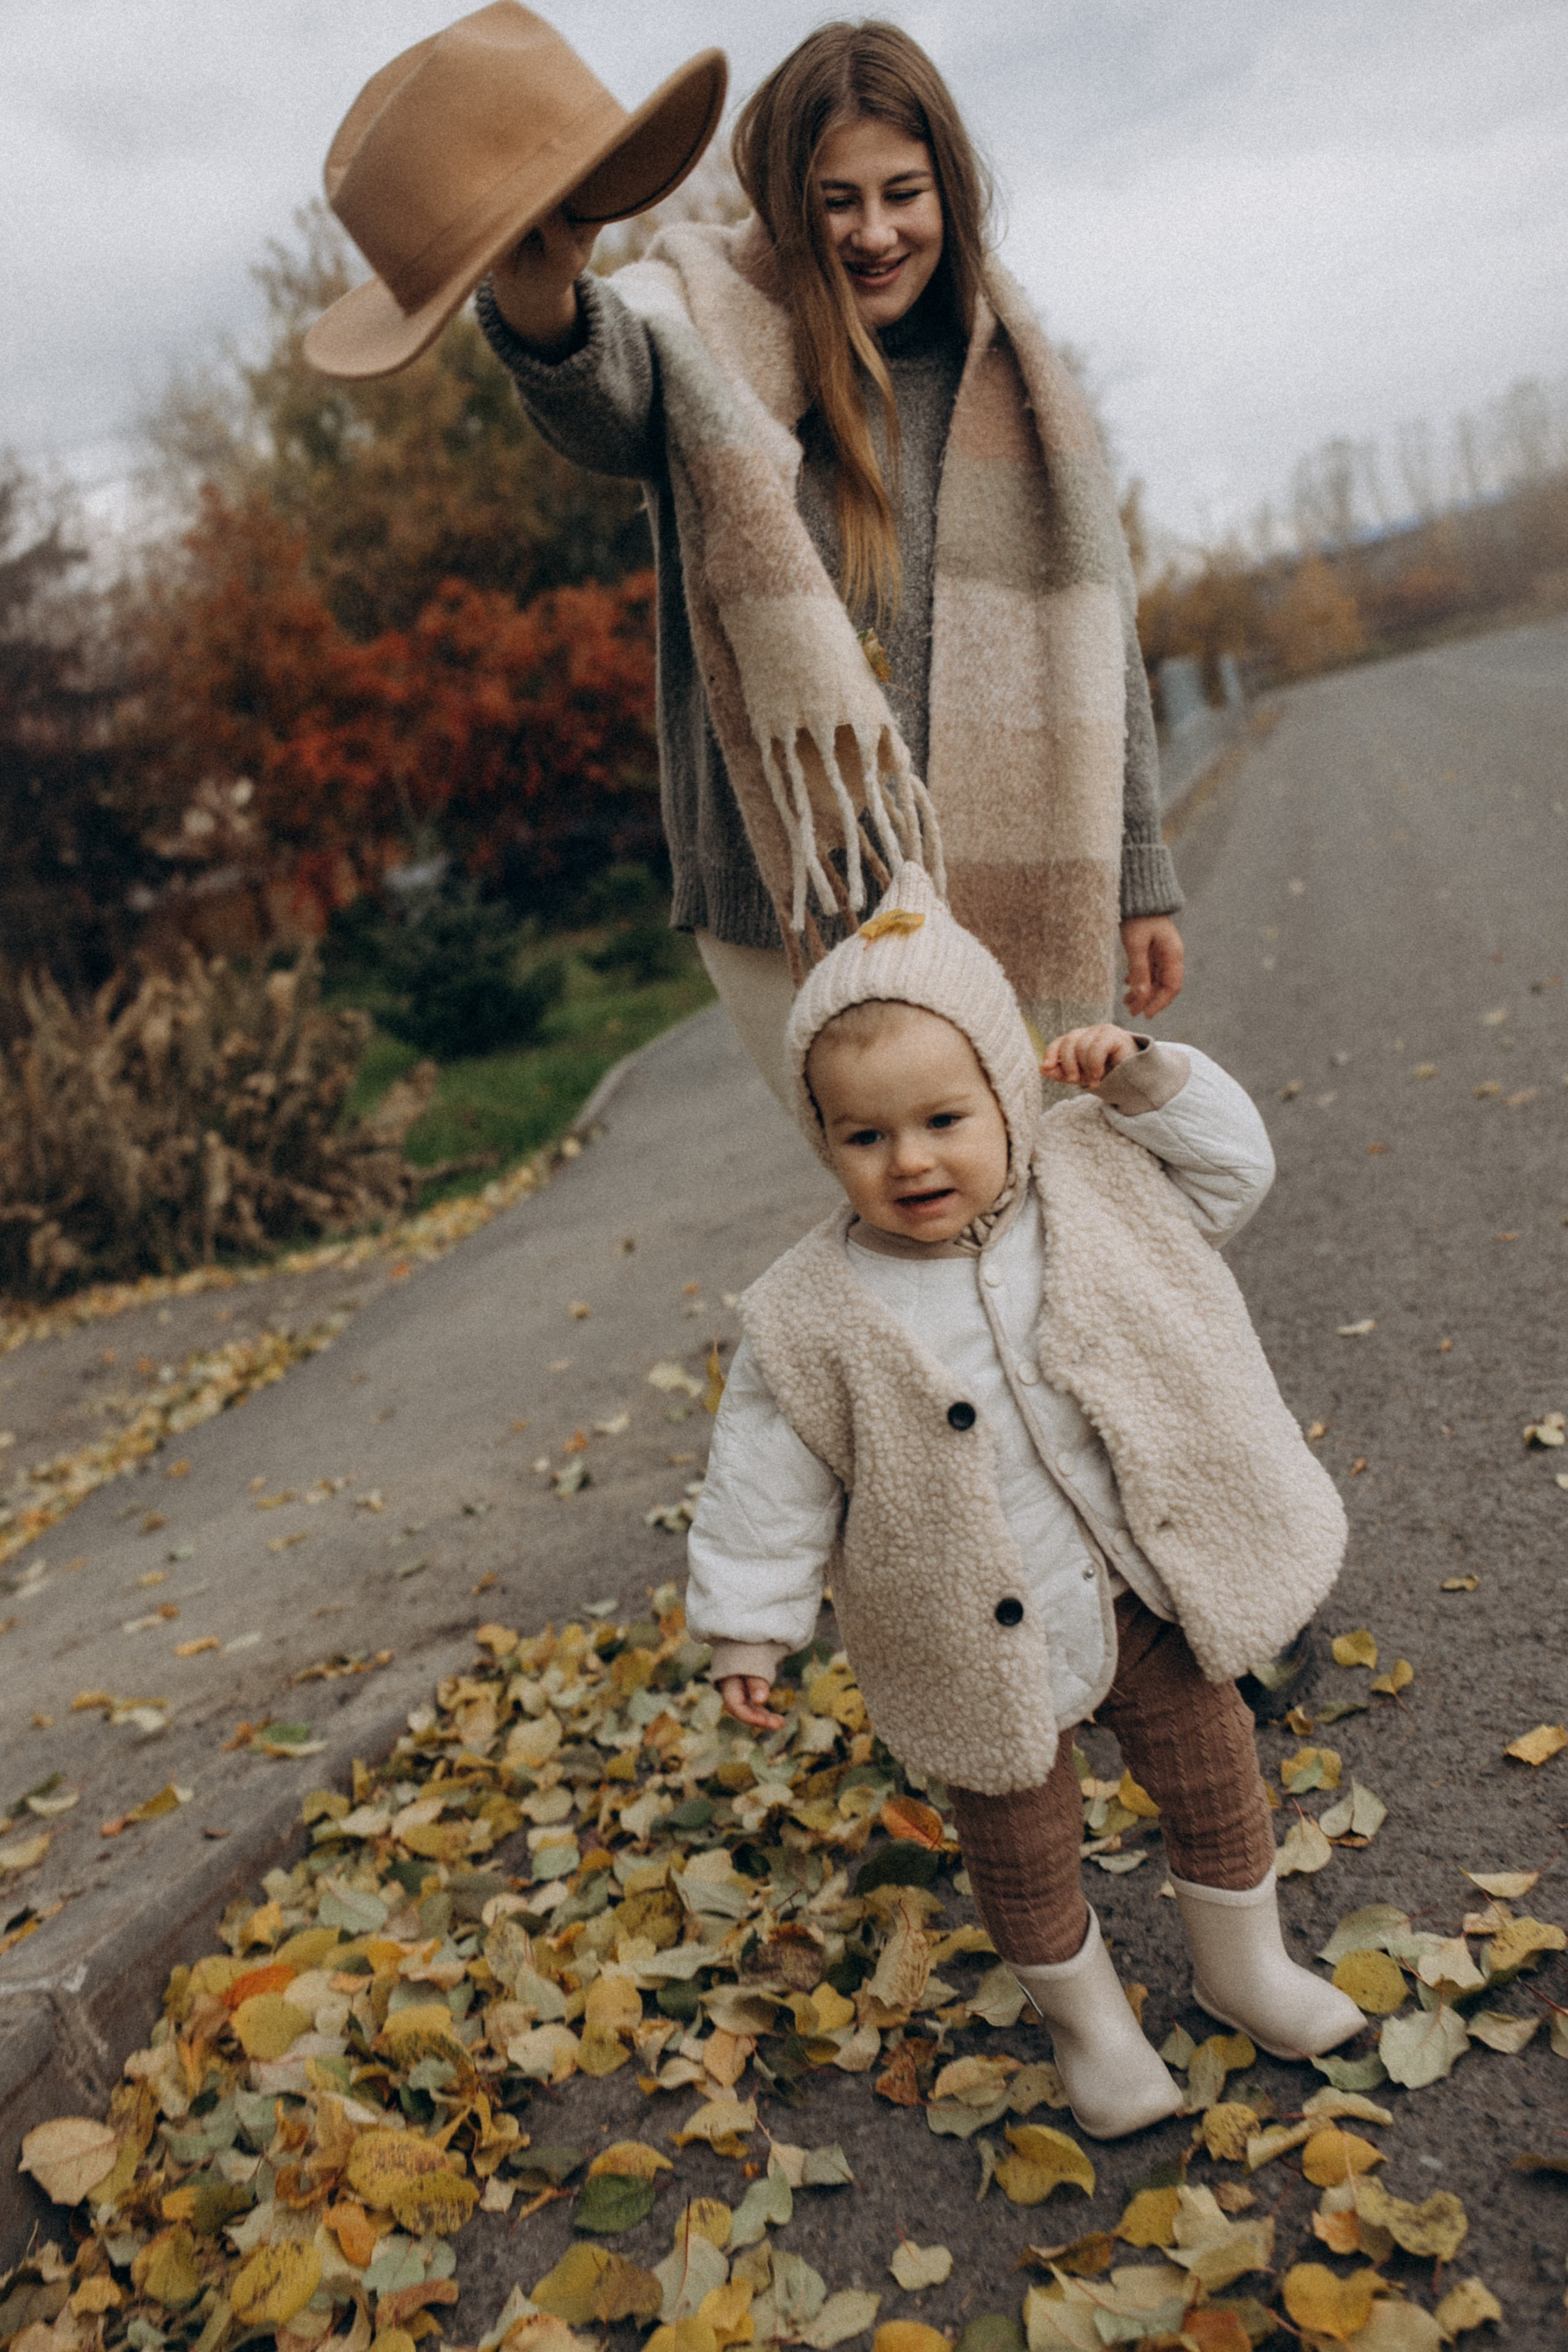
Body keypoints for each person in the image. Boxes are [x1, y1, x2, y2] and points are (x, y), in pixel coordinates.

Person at [682, 858, 1363, 2139]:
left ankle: (1245, 1969)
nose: (910, 1160)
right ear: (821, 1138)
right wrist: (746, 1628)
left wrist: (1146, 1081)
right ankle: (1092, 2029)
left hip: (1143, 1582)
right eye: (864, 1137)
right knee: (1021, 1847)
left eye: (944, 1119)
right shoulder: (809, 1312)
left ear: (1008, 1092)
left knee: (1214, 1774)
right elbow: (763, 1482)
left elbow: (1233, 1173)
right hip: (970, 1640)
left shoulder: (1094, 1179)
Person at [473, 20, 1186, 1103]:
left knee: (1034, 1175)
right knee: (905, 1182)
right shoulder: (699, 320)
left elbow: (1098, 643)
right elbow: (605, 401)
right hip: (792, 888)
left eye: (904, 193)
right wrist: (542, 304)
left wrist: (1138, 872)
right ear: (784, 204)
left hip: (1012, 867)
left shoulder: (1014, 373)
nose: (874, 233)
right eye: (836, 201)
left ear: (951, 189)